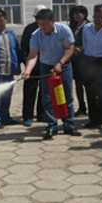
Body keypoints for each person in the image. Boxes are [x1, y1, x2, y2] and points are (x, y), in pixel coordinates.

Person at [21, 9, 81, 140]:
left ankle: (69, 124)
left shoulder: (64, 30)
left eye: (45, 24)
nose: (42, 27)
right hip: (45, 65)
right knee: (47, 97)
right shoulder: (36, 34)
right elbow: (33, 55)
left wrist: (60, 63)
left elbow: (70, 48)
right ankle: (51, 126)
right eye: (39, 24)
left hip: (64, 66)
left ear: (53, 21)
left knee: (66, 95)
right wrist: (28, 71)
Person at [20, 5, 47, 126]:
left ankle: (41, 114)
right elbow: (24, 47)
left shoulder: (49, 29)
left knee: (44, 91)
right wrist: (27, 63)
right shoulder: (29, 29)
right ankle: (27, 116)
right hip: (32, 65)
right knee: (29, 91)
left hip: (46, 64)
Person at [69, 5, 89, 117]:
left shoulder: (89, 26)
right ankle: (82, 106)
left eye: (79, 13)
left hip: (86, 59)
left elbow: (92, 41)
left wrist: (81, 48)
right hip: (75, 60)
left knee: (88, 84)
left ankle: (93, 106)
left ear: (84, 14)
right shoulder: (73, 26)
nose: (77, 16)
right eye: (75, 13)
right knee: (78, 84)